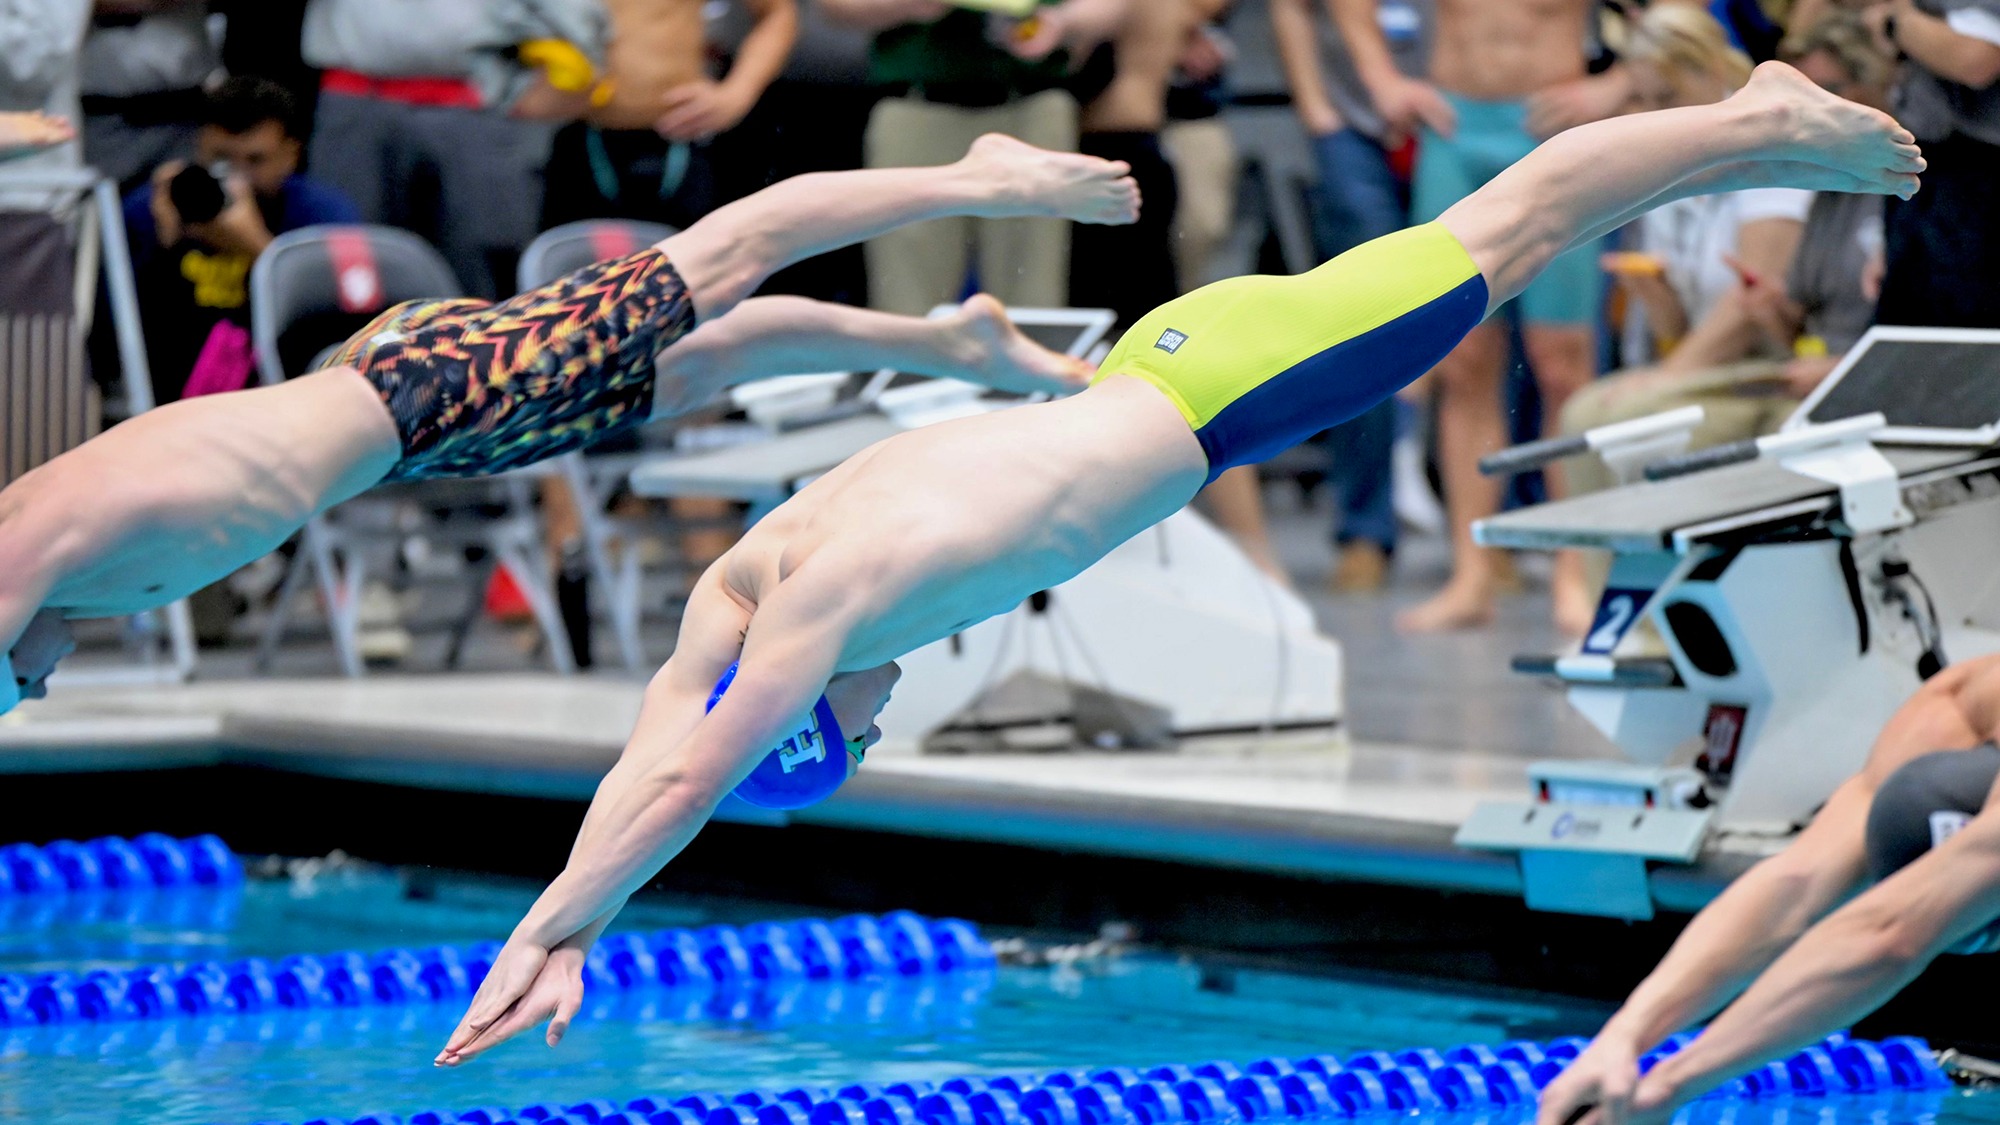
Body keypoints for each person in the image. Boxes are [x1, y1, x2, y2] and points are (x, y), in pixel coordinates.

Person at [429, 63, 1925, 1065]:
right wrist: (561, 902)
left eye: (860, 728)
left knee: (1508, 224)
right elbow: (658, 742)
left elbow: (688, 777)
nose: (883, 712)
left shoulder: (827, 610)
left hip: (1229, 394)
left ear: (813, 708)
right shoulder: (745, 580)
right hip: (1169, 370)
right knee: (1505, 239)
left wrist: (561, 926)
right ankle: (1749, 127)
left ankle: (1750, 115)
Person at [0, 135, 1141, 708]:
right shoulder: (50, 572)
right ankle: (944, 345)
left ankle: (976, 174)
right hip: (416, 426)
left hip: (414, 393)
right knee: (681, 375)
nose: (32, 691)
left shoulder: (26, 544)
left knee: (722, 256)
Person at [1536, 652, 2000, 1125]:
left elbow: (1889, 934)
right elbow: (1796, 885)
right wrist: (1623, 1038)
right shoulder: (1961, 705)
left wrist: (1669, 1084)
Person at [1337, 0, 1611, 632]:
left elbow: (1679, 18)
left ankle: (1576, 572)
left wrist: (1615, 87)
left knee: (1562, 365)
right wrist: (1381, 80)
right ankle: (1472, 574)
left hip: (1551, 128)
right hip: (1456, 130)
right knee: (1462, 360)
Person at [1544, 4, 1816, 635]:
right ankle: (1609, 604)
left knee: (1616, 419)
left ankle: (1654, 625)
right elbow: (1684, 333)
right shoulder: (1670, 178)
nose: (1649, 116)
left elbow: (1748, 312)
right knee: (1585, 416)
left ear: (1716, 72)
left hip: (1774, 370)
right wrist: (1663, 322)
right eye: (1637, 100)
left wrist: (1669, 375)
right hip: (1702, 372)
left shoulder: (1770, 161)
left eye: (1665, 95)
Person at [821, 0, 1131, 314]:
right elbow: (839, 8)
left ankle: (1030, 361)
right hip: (919, 101)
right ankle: (909, 362)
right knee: (908, 288)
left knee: (1031, 285)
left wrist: (1063, 22)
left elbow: (1113, 6)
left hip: (1030, 101)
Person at [1272, 0, 1433, 593]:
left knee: (1490, 317)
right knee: (1367, 319)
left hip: (1460, 116)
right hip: (1352, 123)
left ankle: (1497, 531)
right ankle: (1365, 527)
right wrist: (1316, 108)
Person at [124, 77, 360, 403]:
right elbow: (110, 337)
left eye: (255, 161)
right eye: (221, 158)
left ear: (290, 155)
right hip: (169, 400)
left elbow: (344, 338)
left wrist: (262, 250)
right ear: (199, 146)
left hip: (287, 399)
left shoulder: (323, 217)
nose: (237, 178)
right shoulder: (154, 207)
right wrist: (164, 245)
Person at [539, 0, 799, 231]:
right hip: (583, 134)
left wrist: (737, 93)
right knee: (568, 273)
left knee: (703, 272)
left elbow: (777, 14)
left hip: (683, 135)